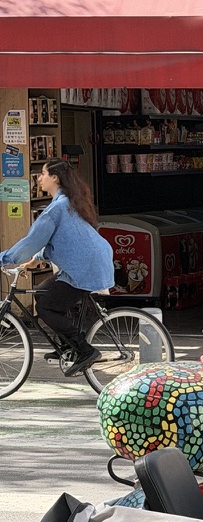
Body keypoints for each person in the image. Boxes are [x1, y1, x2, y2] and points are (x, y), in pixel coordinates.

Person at [0, 157, 114, 376]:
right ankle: (68, 345)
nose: (39, 178)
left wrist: (5, 258)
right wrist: (34, 261)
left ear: (55, 178)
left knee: (46, 306)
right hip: (90, 263)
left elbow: (31, 242)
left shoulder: (56, 209)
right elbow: (60, 240)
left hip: (84, 269)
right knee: (42, 294)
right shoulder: (69, 202)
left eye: (43, 174)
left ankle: (84, 350)